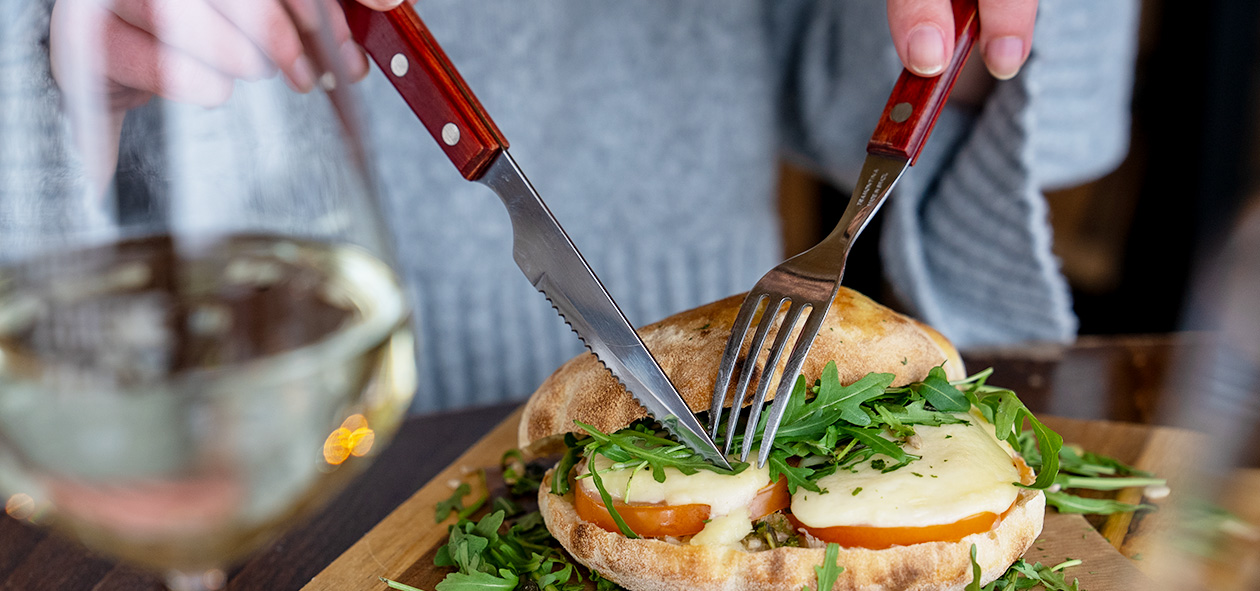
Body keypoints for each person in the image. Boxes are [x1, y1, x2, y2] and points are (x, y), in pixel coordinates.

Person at [6, 0, 1138, 411]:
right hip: (201, 437)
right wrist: (54, 69)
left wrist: (980, 34)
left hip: (745, 385)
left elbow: (843, 80)